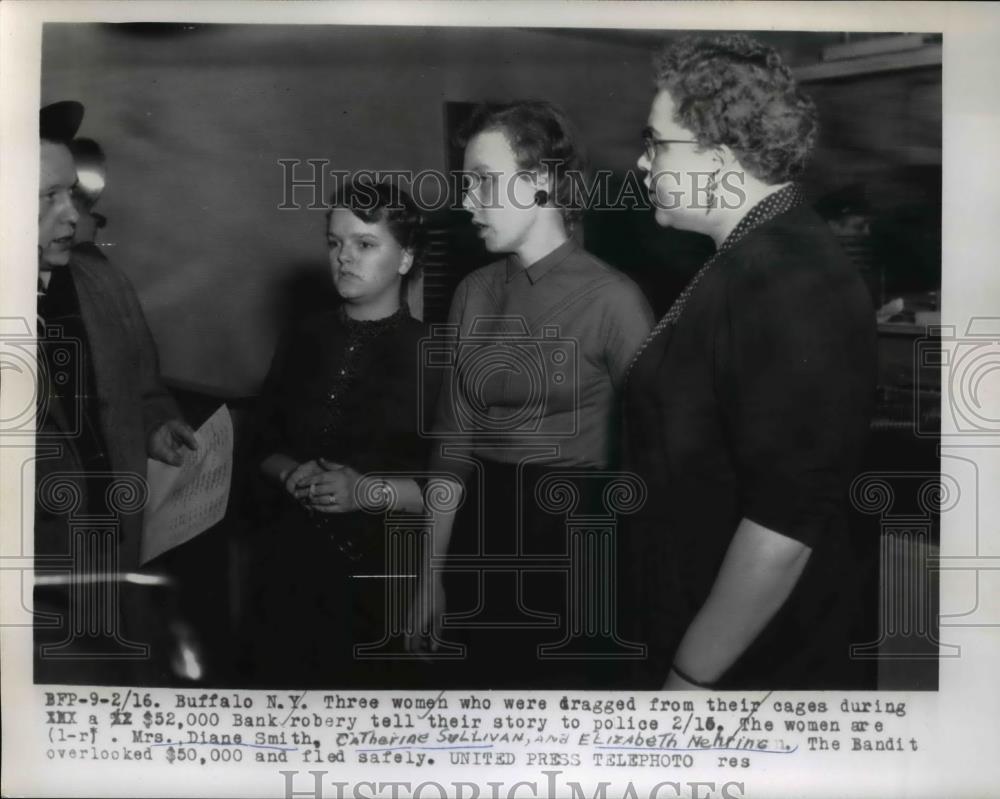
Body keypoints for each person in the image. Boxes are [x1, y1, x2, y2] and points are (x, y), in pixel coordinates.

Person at [622, 34, 877, 690]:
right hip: (717, 628)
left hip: (756, 664)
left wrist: (688, 678)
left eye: (656, 142)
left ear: (720, 156)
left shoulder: (786, 276)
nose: (642, 165)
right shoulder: (753, 256)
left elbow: (783, 529)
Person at [407, 101, 654, 688]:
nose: (466, 201)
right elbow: (452, 446)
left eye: (483, 183)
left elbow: (658, 467)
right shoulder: (473, 291)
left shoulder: (615, 301)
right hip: (478, 538)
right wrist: (428, 576)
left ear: (542, 182)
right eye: (465, 184)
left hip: (577, 556)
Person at [247, 179, 435, 687]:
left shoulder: (435, 354)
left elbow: (457, 489)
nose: (343, 258)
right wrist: (291, 473)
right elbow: (259, 442)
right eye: (335, 243)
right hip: (286, 570)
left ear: (405, 259)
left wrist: (364, 491)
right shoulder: (304, 336)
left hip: (383, 583)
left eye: (365, 244)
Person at [35, 101, 197, 682]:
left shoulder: (103, 279)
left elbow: (146, 387)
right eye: (47, 199)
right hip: (35, 592)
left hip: (121, 561)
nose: (72, 218)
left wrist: (159, 424)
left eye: (71, 195)